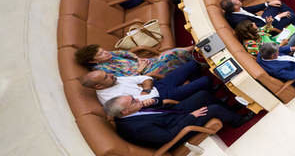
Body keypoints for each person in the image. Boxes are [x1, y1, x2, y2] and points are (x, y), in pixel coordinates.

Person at [104, 89, 247, 148]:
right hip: (178, 130)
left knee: (202, 95)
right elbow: (167, 136)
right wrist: (192, 116)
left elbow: (159, 109)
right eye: (133, 101)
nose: (137, 99)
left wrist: (155, 101)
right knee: (213, 109)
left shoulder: (132, 110)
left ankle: (228, 112)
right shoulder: (135, 128)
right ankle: (238, 121)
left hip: (172, 115)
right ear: (125, 111)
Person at [82, 59, 212, 105]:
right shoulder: (110, 99)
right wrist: (147, 90)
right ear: (98, 86)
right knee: (205, 80)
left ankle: (201, 88)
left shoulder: (113, 79)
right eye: (106, 77)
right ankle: (206, 90)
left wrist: (145, 89)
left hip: (158, 85)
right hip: (162, 97)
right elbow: (145, 102)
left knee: (193, 65)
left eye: (107, 74)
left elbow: (144, 78)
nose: (110, 75)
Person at [219, 0, 295, 46]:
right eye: (235, 0)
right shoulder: (238, 21)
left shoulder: (234, 10)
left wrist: (267, 4)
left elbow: (250, 9)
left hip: (263, 20)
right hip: (268, 28)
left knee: (277, 3)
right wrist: (279, 16)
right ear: (235, 6)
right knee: (290, 16)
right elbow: (259, 30)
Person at [74, 44, 196, 79]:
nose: (105, 52)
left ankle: (194, 50)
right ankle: (196, 61)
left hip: (145, 64)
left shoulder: (109, 55)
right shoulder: (103, 70)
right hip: (145, 74)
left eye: (103, 50)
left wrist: (137, 58)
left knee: (168, 54)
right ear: (92, 61)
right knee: (169, 58)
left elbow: (124, 53)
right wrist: (140, 69)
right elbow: (126, 80)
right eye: (100, 54)